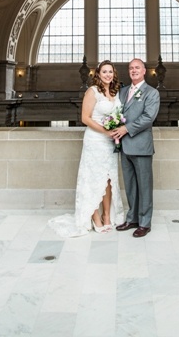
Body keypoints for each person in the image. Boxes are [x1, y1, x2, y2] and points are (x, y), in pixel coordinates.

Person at [48, 60, 124, 238]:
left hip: (110, 142)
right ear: (98, 74)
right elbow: (85, 118)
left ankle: (107, 216)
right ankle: (95, 217)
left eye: (110, 72)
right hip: (95, 140)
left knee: (108, 179)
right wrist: (106, 131)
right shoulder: (93, 91)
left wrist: (116, 128)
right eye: (104, 72)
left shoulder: (115, 91)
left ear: (114, 74)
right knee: (93, 178)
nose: (108, 75)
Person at [111, 58, 160, 238]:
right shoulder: (123, 92)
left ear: (144, 71)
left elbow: (148, 117)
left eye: (137, 67)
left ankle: (145, 222)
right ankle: (132, 219)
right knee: (130, 186)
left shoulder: (152, 93)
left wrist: (125, 129)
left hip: (141, 146)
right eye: (131, 68)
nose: (134, 70)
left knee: (144, 186)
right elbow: (116, 113)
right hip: (124, 147)